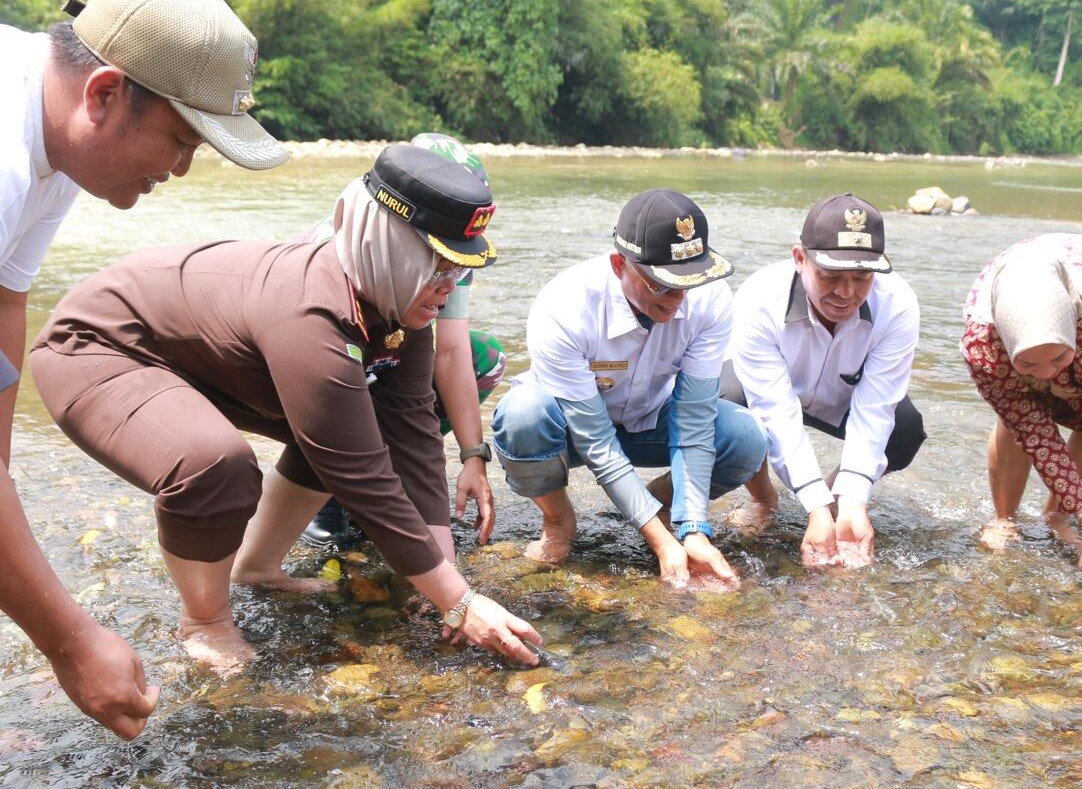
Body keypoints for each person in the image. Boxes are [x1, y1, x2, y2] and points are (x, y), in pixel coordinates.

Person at [30, 144, 541, 676]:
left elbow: (412, 441)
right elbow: (361, 474)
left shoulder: (398, 309)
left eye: (458, 272)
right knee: (216, 464)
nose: (447, 290)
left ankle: (257, 568)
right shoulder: (312, 309)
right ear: (388, 248)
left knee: (362, 422)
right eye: (436, 269)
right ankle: (204, 621)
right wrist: (457, 603)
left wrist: (448, 584)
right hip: (99, 348)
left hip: (207, 364)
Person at [1, 0, 285, 738]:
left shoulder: (55, 143)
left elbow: (6, 296)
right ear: (104, 93)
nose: (181, 170)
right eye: (182, 140)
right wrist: (69, 640)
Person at [492, 188, 768, 590]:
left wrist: (693, 531)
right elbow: (596, 440)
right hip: (569, 428)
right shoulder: (565, 307)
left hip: (651, 419)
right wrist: (659, 543)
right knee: (522, 414)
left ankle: (661, 506)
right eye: (662, 285)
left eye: (688, 283)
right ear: (620, 264)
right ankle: (558, 519)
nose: (677, 300)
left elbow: (693, 420)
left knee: (744, 436)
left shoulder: (709, 300)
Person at [302, 133, 506, 549]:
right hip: (326, 363)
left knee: (484, 358)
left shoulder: (452, 251)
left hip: (386, 359)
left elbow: (451, 353)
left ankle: (391, 471)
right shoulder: (343, 243)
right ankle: (324, 493)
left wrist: (473, 457)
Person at [724, 193, 925, 568]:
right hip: (772, 393)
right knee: (728, 405)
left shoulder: (897, 304)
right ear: (800, 259)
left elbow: (876, 407)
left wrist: (849, 502)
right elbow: (775, 411)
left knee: (905, 428)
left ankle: (836, 496)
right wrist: (812, 506)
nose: (846, 293)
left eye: (862, 277)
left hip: (842, 398)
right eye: (831, 276)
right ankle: (764, 499)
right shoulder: (760, 299)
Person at [960, 233, 1082, 569]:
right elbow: (1036, 434)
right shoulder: (984, 345)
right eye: (1029, 363)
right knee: (1020, 420)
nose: (1047, 374)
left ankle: (1056, 515)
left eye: (1058, 358)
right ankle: (1005, 518)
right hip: (1014, 293)